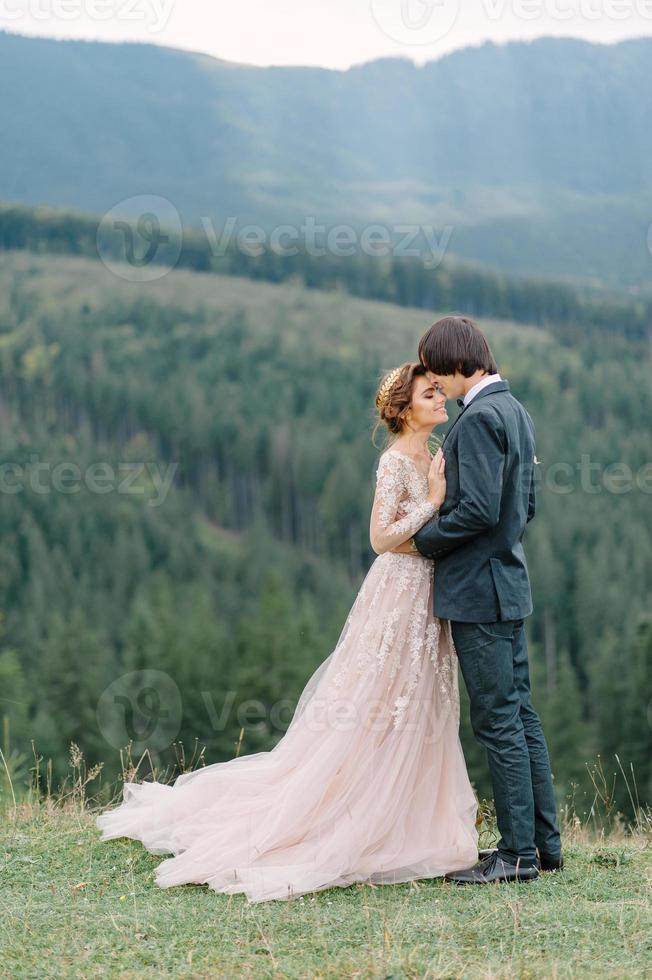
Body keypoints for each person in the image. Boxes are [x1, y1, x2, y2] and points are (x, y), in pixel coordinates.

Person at [95, 362, 479, 904]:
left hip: (427, 596)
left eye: (441, 391)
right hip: (397, 593)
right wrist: (433, 501)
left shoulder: (430, 454)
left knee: (418, 704)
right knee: (378, 704)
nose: (441, 398)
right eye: (430, 393)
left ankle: (410, 816)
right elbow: (379, 537)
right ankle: (356, 816)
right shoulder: (396, 461)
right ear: (404, 408)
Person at [398, 314, 563, 884]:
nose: (437, 383)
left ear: (455, 361)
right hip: (508, 585)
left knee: (497, 720)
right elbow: (525, 507)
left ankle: (516, 855)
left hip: (479, 595)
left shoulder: (478, 419)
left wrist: (425, 540)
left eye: (438, 370)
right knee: (520, 714)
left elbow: (477, 511)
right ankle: (544, 844)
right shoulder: (514, 412)